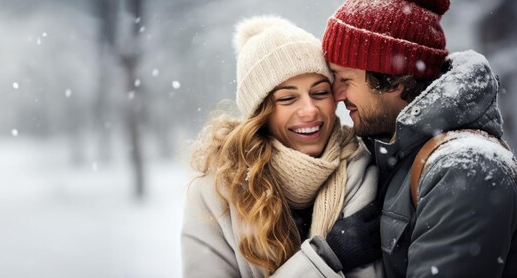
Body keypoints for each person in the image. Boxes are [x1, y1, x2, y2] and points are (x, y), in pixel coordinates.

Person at [320, 0, 517, 277]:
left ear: (394, 79)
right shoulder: (396, 153)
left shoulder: (464, 169)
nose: (337, 95)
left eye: (345, 79)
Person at [181, 15, 383, 277]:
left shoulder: (360, 169)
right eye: (288, 98)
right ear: (260, 113)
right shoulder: (216, 192)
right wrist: (326, 257)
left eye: (320, 92)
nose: (310, 110)